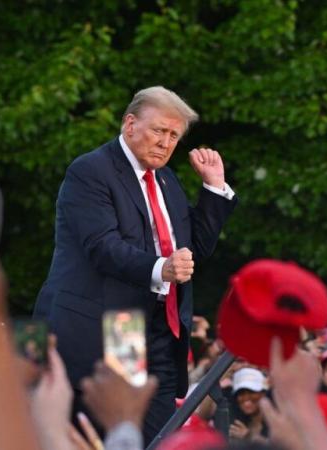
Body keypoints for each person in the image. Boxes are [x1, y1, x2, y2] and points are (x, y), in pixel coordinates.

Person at [33, 86, 237, 443]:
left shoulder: (167, 180)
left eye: (174, 135)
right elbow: (102, 247)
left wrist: (214, 188)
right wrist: (162, 269)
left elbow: (193, 250)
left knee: (157, 436)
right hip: (106, 328)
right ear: (130, 124)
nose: (166, 143)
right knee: (101, 436)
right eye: (159, 130)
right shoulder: (91, 170)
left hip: (156, 330)